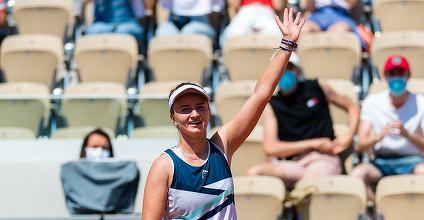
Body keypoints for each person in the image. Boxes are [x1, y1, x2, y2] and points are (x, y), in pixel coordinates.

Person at [141, 8, 305, 219]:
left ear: (209, 112)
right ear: (173, 119)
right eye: (185, 109)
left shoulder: (222, 145)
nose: (194, 114)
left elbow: (261, 95)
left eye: (200, 106)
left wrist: (287, 44)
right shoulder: (164, 166)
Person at [245, 52, 360, 188]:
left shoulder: (316, 86)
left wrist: (349, 136)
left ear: (298, 71)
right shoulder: (271, 104)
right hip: (294, 162)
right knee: (253, 173)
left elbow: (353, 108)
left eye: (289, 67)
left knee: (307, 182)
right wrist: (312, 144)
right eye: (281, 68)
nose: (285, 72)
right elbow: (270, 148)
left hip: (325, 158)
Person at [349, 55, 424, 201]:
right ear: (385, 77)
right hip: (381, 161)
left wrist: (408, 135)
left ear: (408, 76)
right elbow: (359, 146)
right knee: (356, 176)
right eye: (391, 74)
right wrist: (378, 137)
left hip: (412, 161)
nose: (396, 78)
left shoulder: (421, 102)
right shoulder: (372, 102)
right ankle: (379, 211)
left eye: (400, 73)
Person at [301, 0, 366, 49]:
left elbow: (352, 3)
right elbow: (310, 8)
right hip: (319, 14)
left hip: (340, 14)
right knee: (304, 30)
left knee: (339, 31)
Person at [220, 0, 285, 47]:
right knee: (232, 34)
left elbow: (278, 6)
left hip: (266, 11)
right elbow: (234, 4)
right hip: (245, 10)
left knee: (278, 35)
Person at [149, 0, 225, 40]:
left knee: (189, 34)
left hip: (200, 20)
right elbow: (162, 6)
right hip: (173, 19)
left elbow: (218, 7)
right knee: (162, 34)